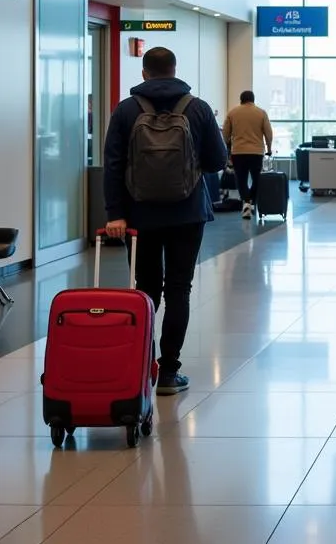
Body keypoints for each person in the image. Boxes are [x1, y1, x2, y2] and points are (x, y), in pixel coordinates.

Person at [103, 47, 227, 396]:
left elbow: (112, 164)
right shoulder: (198, 108)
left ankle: (143, 365)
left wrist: (116, 213)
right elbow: (218, 161)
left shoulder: (126, 110)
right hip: (188, 214)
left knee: (145, 289)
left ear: (144, 73)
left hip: (139, 216)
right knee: (178, 288)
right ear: (175, 70)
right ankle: (170, 373)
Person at [222, 90, 273, 219]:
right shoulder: (261, 113)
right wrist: (269, 148)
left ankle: (246, 202)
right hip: (256, 152)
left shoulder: (232, 113)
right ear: (253, 100)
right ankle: (251, 202)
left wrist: (227, 147)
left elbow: (225, 134)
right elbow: (268, 133)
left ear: (241, 99)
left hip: (238, 152)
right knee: (257, 179)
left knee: (241, 180)